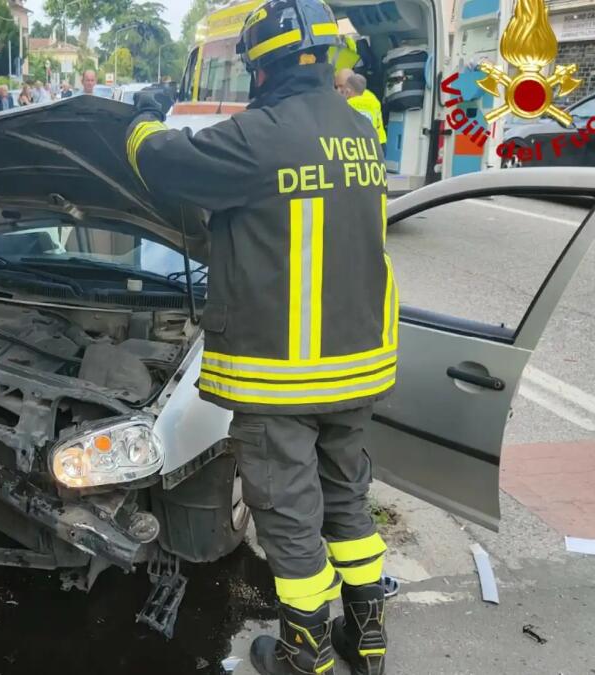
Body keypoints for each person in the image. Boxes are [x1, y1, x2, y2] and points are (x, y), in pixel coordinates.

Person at [124, 0, 394, 673]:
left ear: (260, 66)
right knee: (346, 503)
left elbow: (163, 163)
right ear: (331, 56)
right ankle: (365, 639)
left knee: (290, 516)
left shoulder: (261, 136)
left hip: (282, 375)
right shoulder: (359, 130)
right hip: (357, 366)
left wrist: (135, 121)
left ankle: (305, 653)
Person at [336, 69, 387, 145]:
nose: (338, 91)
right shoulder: (370, 96)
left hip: (370, 145)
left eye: (341, 86)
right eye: (336, 87)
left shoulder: (357, 101)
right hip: (378, 143)